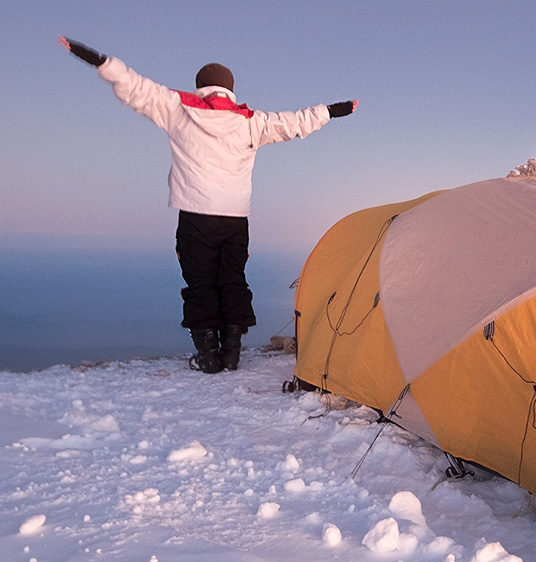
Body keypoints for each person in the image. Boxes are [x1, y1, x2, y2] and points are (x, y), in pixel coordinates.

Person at [59, 36, 357, 373]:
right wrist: (336, 110)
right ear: (230, 89)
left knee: (200, 282)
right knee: (232, 279)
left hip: (195, 215)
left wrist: (94, 57)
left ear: (200, 87)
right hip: (234, 218)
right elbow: (296, 122)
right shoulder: (252, 122)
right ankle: (232, 353)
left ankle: (209, 356)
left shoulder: (178, 109)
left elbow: (134, 86)